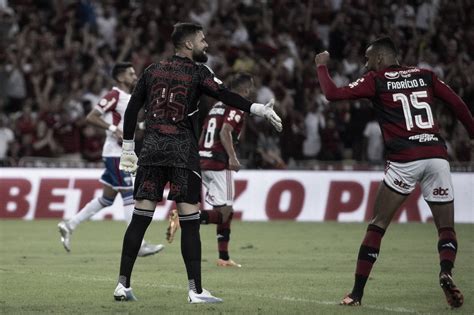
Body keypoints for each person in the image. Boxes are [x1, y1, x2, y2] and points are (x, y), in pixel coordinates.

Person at [114, 22, 282, 303]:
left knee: (139, 219)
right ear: (189, 44)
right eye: (203, 40)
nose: (207, 45)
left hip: (152, 151)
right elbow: (225, 94)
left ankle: (122, 285)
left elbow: (132, 108)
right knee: (190, 222)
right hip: (182, 153)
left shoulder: (151, 70)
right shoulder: (198, 72)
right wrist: (258, 109)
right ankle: (196, 291)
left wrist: (128, 147)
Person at [314, 37, 473, 308]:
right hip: (436, 156)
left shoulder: (376, 80)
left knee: (378, 224)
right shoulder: (426, 75)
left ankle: (356, 294)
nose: (365, 65)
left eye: (367, 59)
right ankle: (445, 271)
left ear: (379, 59)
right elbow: (458, 105)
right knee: (445, 228)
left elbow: (332, 94)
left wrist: (321, 67)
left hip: (404, 159)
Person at [57, 62, 163, 257]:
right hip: (116, 154)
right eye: (131, 74)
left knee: (106, 199)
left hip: (120, 152)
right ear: (121, 77)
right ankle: (137, 244)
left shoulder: (128, 97)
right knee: (130, 195)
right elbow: (92, 116)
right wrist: (114, 130)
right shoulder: (114, 95)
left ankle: (69, 225)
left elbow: (126, 126)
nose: (135, 76)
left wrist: (143, 125)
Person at [166, 73, 254, 268]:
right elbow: (225, 132)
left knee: (224, 211)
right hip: (219, 162)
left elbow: (205, 131)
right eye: (250, 89)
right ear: (246, 89)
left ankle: (223, 257)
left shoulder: (217, 106)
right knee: (225, 212)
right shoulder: (237, 105)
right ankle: (183, 219)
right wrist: (232, 156)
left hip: (202, 159)